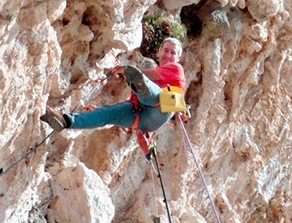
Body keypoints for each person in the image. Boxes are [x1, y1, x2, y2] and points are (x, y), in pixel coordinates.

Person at [41, 37, 186, 153]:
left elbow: (152, 75)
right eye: (166, 51)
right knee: (107, 114)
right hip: (142, 117)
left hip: (161, 108)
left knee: (154, 93)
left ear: (178, 58)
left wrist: (127, 70)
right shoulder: (161, 70)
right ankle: (65, 121)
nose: (168, 55)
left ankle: (139, 82)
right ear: (159, 53)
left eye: (173, 53)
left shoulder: (176, 68)